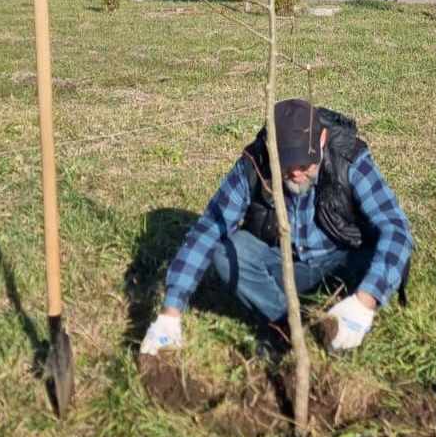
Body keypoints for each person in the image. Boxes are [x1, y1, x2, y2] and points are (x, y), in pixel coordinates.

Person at [141, 98, 414, 356]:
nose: (296, 173)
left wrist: (365, 301)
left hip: (344, 262)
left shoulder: (348, 157)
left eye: (305, 163)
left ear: (321, 140)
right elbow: (209, 229)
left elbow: (395, 227)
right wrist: (170, 313)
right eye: (286, 163)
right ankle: (286, 325)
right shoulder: (255, 164)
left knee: (383, 254)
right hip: (286, 266)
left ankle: (344, 311)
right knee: (229, 253)